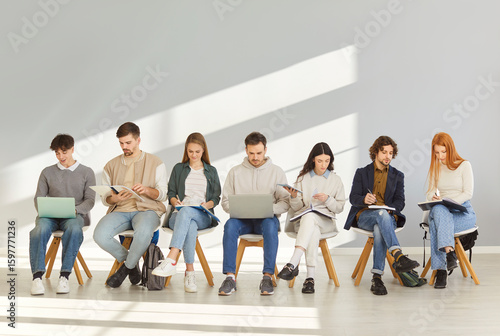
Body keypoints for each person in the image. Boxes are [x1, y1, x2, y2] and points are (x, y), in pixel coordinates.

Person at [93, 122, 168, 288]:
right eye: (121, 143)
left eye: (128, 143)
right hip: (120, 211)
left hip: (147, 210)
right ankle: (132, 266)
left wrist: (147, 190)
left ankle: (124, 270)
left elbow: (163, 194)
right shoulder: (110, 165)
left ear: (138, 140)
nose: (124, 147)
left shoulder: (156, 162)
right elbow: (106, 197)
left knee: (143, 232)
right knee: (99, 235)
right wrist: (115, 199)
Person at [344, 135, 419, 295]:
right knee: (380, 215)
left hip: (387, 217)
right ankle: (398, 256)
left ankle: (377, 278)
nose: (387, 156)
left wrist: (389, 209)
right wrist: (364, 199)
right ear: (376, 152)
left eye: (390, 153)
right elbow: (353, 198)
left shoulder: (398, 175)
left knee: (380, 226)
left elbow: (400, 202)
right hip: (365, 216)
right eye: (384, 152)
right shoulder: (362, 173)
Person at [218, 132, 290, 296]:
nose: (255, 157)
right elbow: (225, 202)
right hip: (242, 221)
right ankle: (230, 277)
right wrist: (239, 209)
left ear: (265, 149)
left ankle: (267, 277)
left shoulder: (277, 172)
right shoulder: (235, 172)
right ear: (245, 150)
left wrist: (269, 209)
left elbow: (285, 202)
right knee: (229, 226)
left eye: (259, 153)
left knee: (271, 225)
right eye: (251, 153)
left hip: (266, 219)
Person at [152, 132, 221, 293]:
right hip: (179, 215)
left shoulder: (211, 171)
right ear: (186, 150)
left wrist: (207, 204)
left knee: (189, 214)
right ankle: (189, 272)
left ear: (203, 150)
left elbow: (216, 198)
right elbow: (171, 193)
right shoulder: (179, 168)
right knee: (188, 222)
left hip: (202, 215)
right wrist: (176, 202)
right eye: (190, 151)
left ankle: (171, 259)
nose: (194, 155)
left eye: (197, 151)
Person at [30, 134, 96, 295]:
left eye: (64, 152)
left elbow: (90, 201)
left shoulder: (86, 172)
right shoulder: (47, 172)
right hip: (49, 216)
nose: (61, 157)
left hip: (74, 216)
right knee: (38, 230)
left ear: (73, 149)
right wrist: (44, 209)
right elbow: (38, 198)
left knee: (74, 229)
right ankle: (37, 278)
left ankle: (64, 277)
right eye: (57, 153)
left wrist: (75, 210)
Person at [277, 142, 346, 294]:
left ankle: (293, 263)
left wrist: (327, 199)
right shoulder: (303, 179)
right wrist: (294, 196)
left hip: (326, 222)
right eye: (320, 161)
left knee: (311, 219)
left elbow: (340, 208)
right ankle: (310, 278)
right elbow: (295, 208)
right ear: (313, 159)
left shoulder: (336, 180)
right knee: (311, 223)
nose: (323, 165)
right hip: (305, 223)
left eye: (327, 161)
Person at [425, 132, 476, 289]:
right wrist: (433, 197)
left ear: (451, 149)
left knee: (436, 225)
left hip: (462, 212)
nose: (440, 156)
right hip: (441, 209)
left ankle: (441, 271)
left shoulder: (464, 165)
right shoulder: (436, 168)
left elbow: (468, 193)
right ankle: (449, 252)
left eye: (443, 151)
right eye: (437, 152)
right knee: (439, 210)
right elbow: (429, 193)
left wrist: (451, 202)